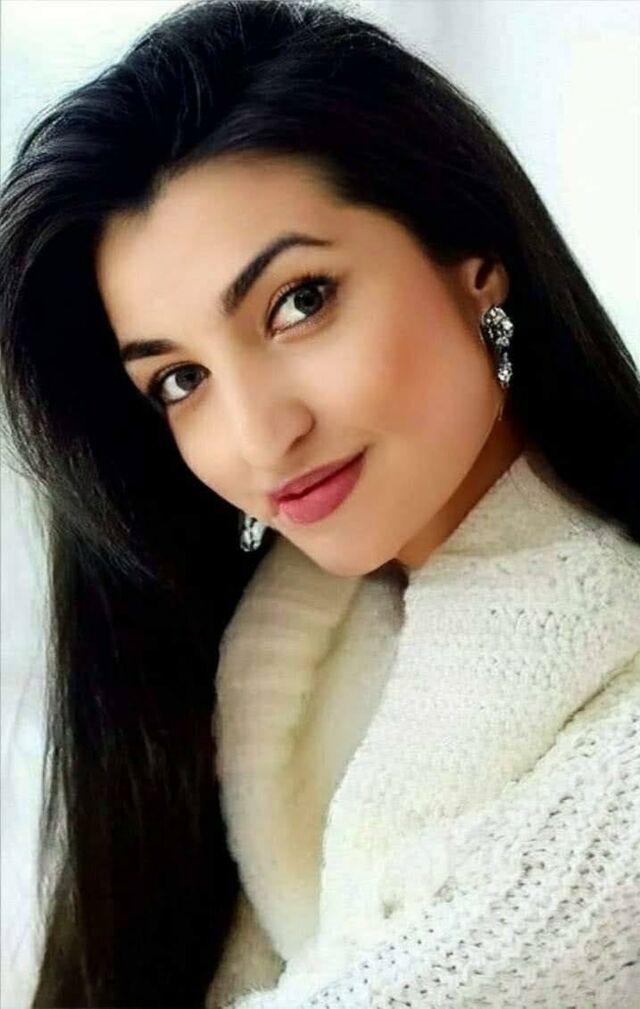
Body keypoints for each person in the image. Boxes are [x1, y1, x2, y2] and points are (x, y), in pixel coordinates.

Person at [0, 0, 638, 1006]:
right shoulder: (247, 689)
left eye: (299, 302)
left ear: (474, 265)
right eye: (180, 380)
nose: (261, 436)